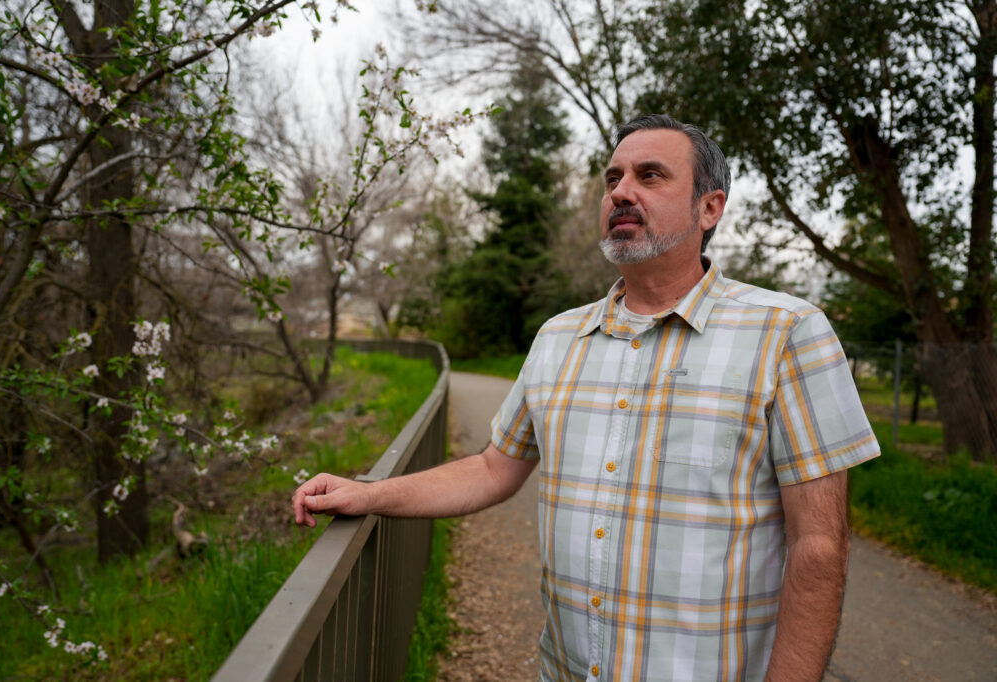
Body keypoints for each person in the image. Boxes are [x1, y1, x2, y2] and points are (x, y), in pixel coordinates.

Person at [292, 114, 880, 681]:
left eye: (650, 176)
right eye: (612, 178)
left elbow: (819, 546)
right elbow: (494, 467)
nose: (621, 192)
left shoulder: (786, 333)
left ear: (710, 207)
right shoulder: (558, 338)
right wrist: (369, 493)